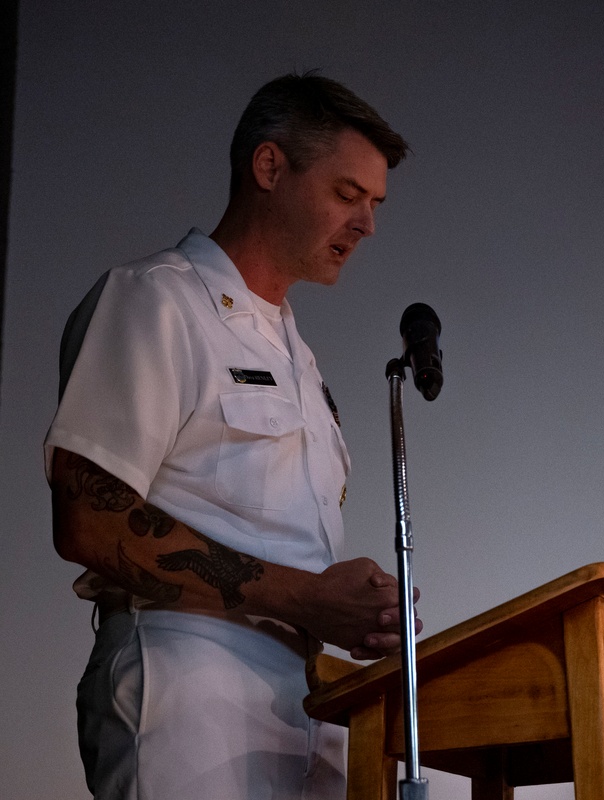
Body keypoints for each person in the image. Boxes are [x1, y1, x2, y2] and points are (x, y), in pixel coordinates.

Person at [44, 72, 417, 799]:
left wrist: (354, 608)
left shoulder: (300, 359)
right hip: (192, 682)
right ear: (270, 167)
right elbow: (87, 518)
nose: (367, 224)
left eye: (375, 204)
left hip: (314, 698)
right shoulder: (158, 300)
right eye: (348, 194)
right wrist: (308, 597)